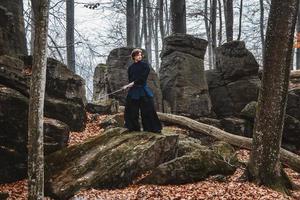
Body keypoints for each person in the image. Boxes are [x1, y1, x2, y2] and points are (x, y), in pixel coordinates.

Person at [123, 48, 162, 133]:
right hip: (133, 91)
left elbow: (142, 79)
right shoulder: (130, 68)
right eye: (138, 55)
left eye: (141, 55)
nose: (140, 56)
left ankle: (151, 128)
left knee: (148, 109)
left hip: (143, 90)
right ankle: (132, 127)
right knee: (131, 110)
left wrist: (131, 84)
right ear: (134, 56)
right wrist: (129, 85)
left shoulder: (145, 66)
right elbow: (131, 79)